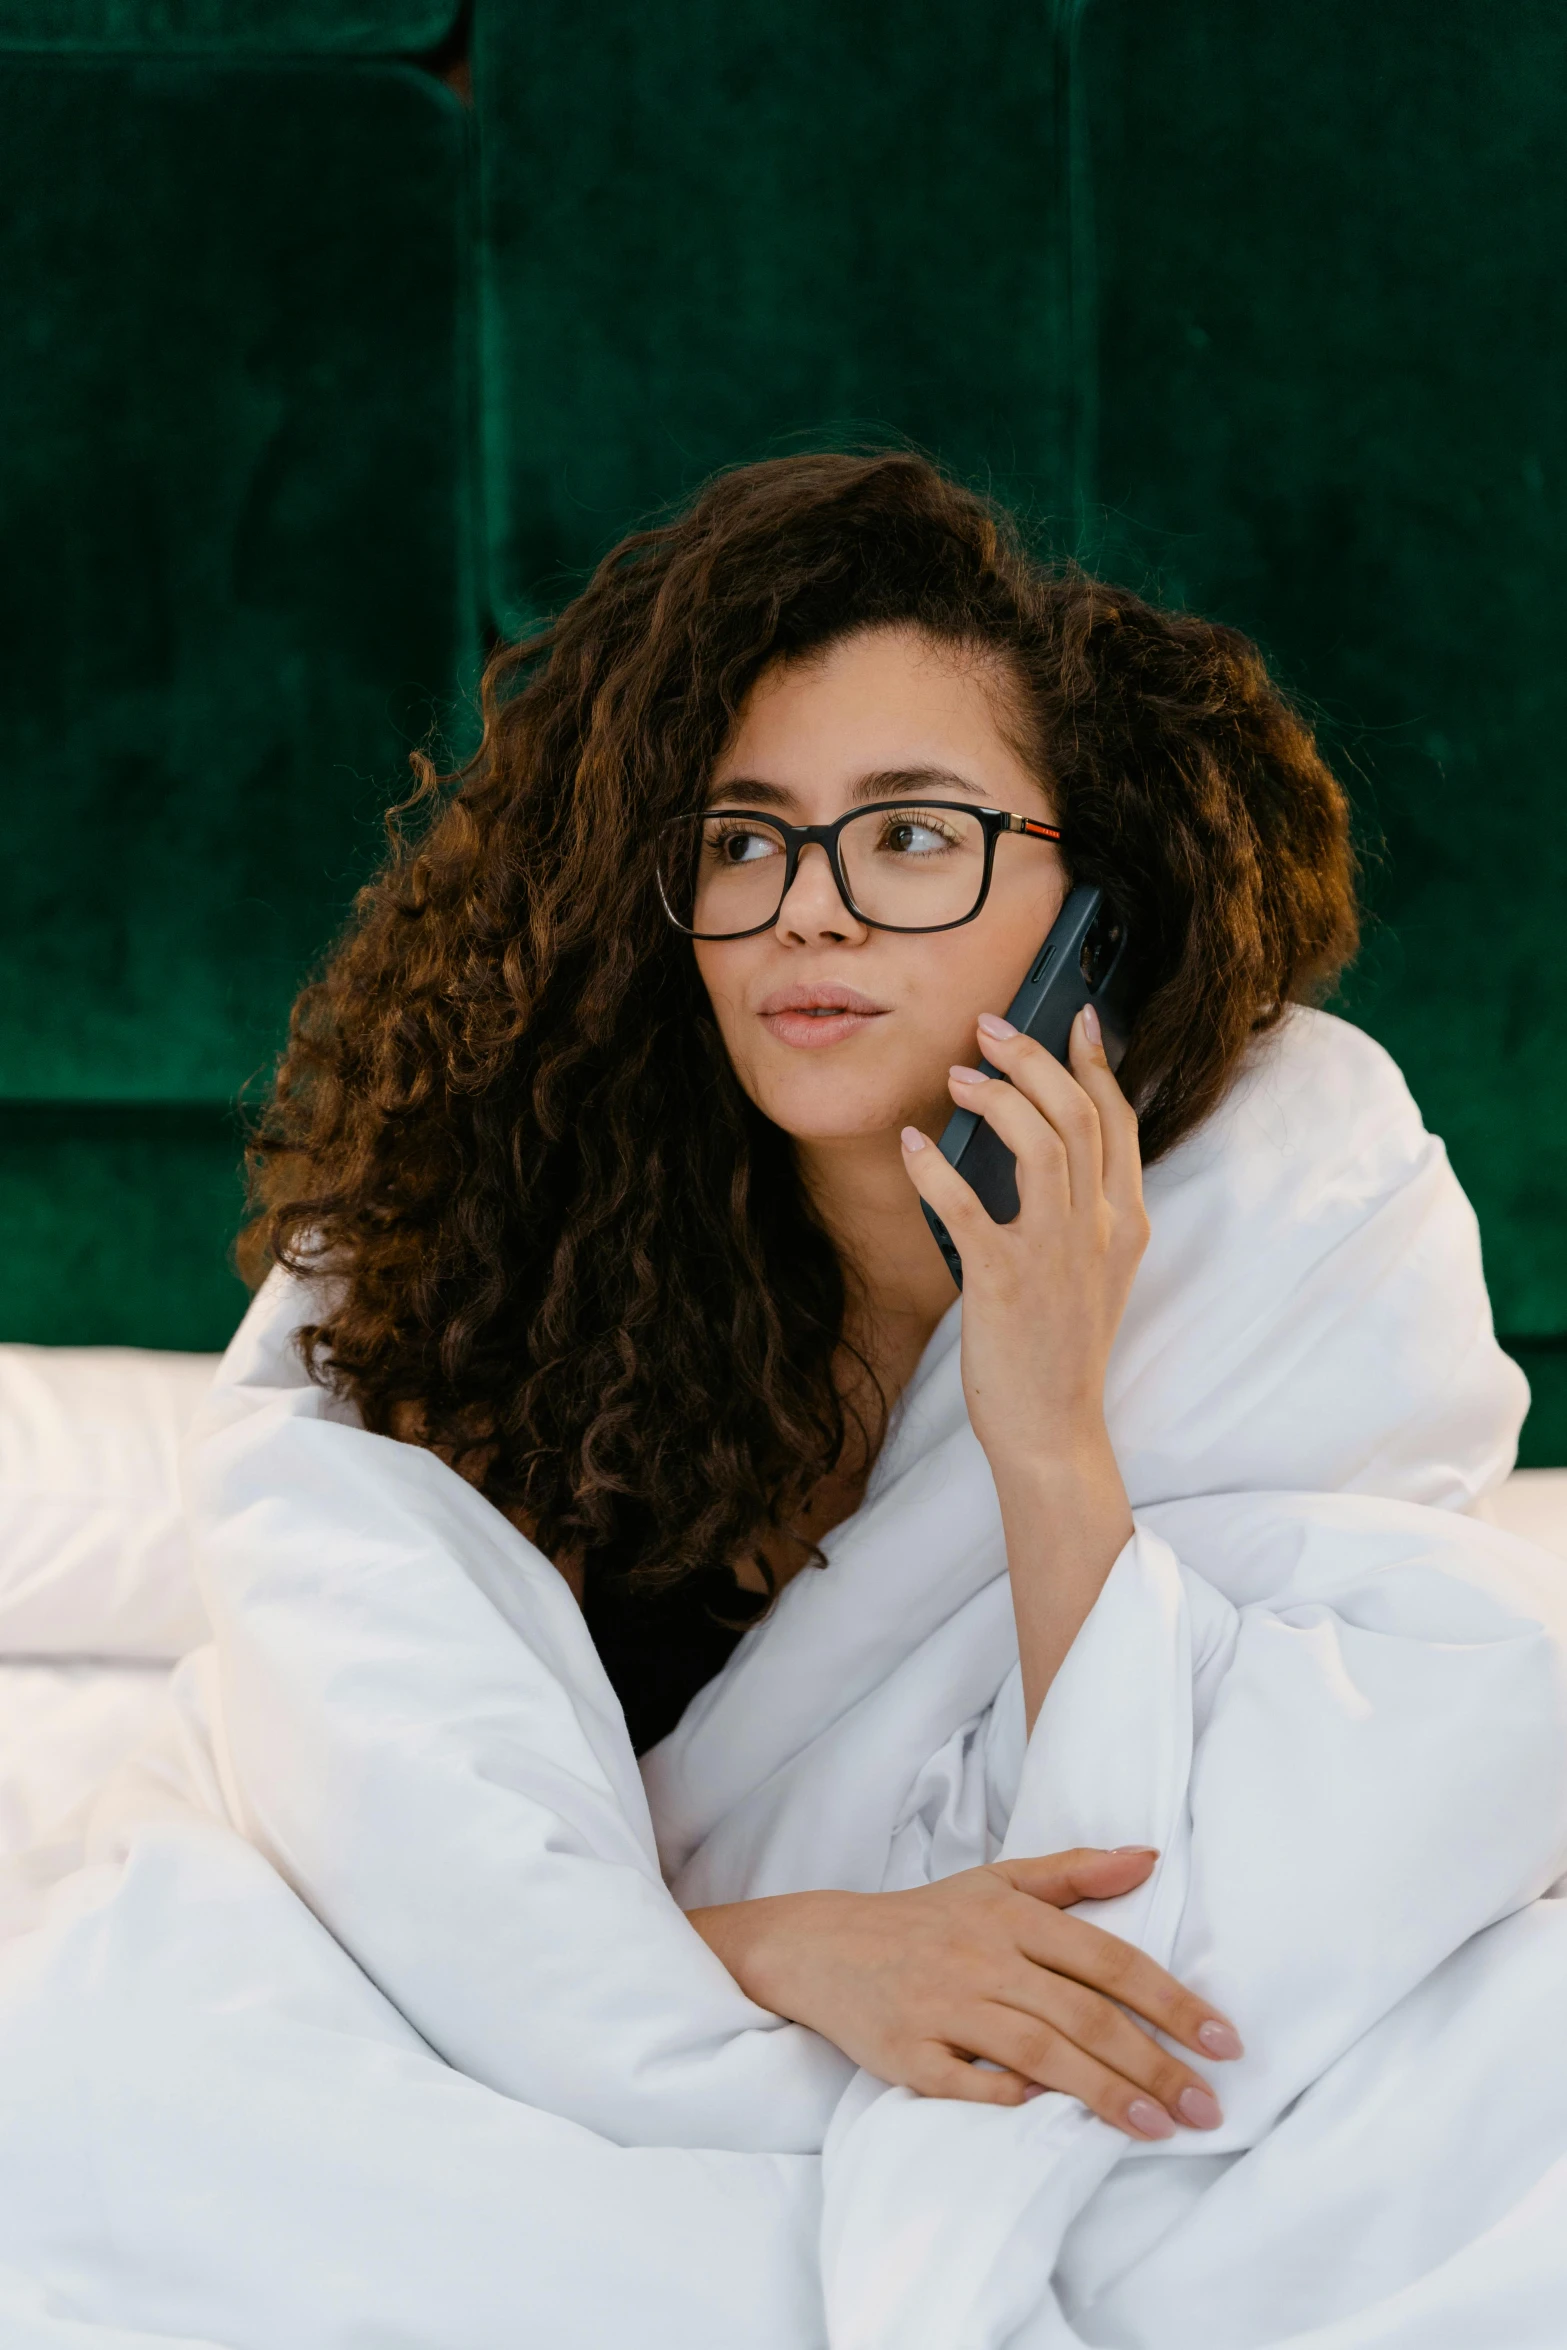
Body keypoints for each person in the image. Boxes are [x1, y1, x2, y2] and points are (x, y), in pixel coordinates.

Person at [5, 453, 1562, 2350]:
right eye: (745, 839)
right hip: (597, 2049)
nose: (806, 912)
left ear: (1099, 898)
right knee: (124, 2087)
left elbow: (1244, 1891)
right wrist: (762, 1951)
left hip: (1081, 2034)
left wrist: (1048, 1429)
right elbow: (389, 1789)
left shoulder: (1272, 1213)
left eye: (912, 836)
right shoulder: (489, 1257)